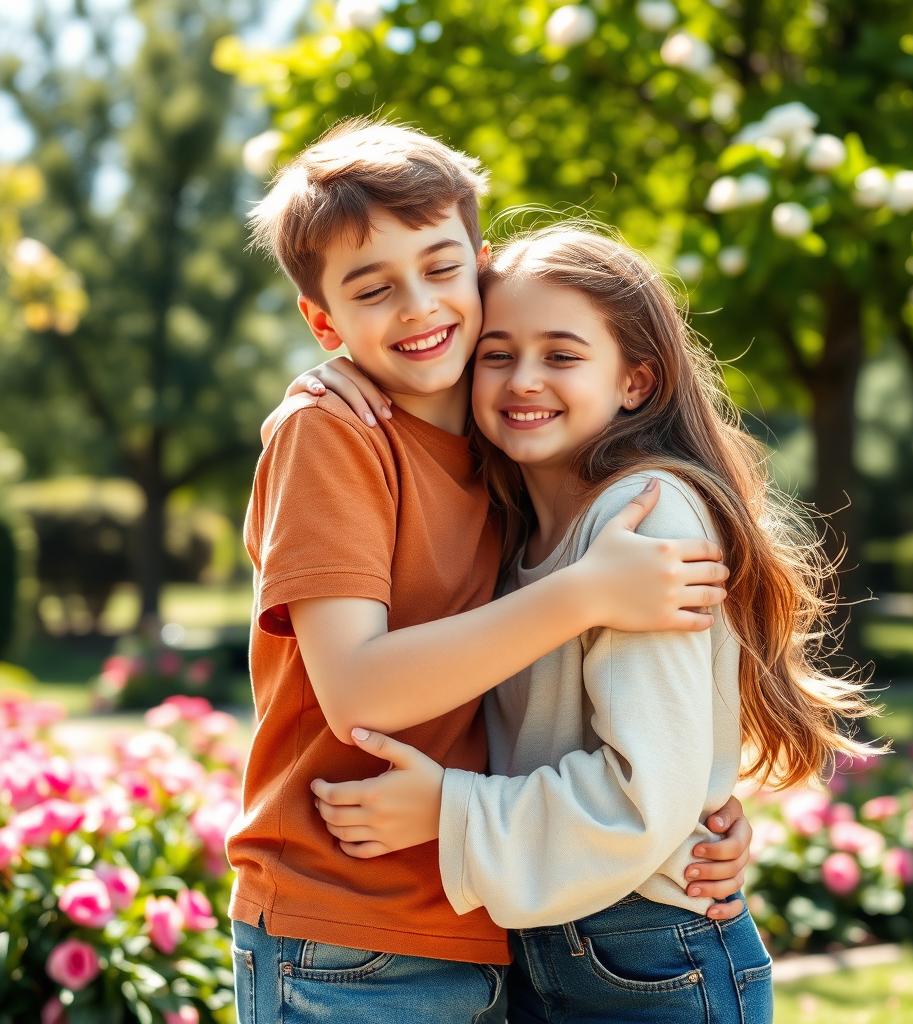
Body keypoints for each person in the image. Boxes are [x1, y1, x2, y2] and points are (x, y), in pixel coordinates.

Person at [229, 119, 752, 1024]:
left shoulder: (510, 457)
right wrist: (583, 592)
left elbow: (631, 713)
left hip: (483, 921)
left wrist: (692, 810)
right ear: (325, 323)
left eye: (440, 269)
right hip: (346, 921)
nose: (419, 307)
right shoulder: (335, 432)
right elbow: (359, 690)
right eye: (372, 289)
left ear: (480, 263)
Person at [309, 224, 880, 1022]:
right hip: (555, 940)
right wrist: (331, 380)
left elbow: (642, 799)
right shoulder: (516, 527)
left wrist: (451, 811)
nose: (523, 379)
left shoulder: (644, 519)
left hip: (646, 952)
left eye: (563, 355)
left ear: (636, 383)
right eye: (497, 354)